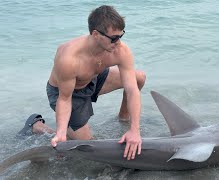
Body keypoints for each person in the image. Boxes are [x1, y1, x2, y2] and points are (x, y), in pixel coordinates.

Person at [21, 5, 146, 160]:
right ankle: (38, 127)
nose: (119, 43)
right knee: (87, 147)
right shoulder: (70, 58)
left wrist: (135, 130)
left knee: (139, 77)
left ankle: (123, 119)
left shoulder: (120, 50)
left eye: (121, 36)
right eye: (114, 38)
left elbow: (132, 89)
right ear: (95, 34)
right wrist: (60, 132)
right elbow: (64, 99)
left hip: (92, 79)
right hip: (68, 93)